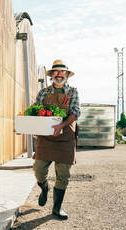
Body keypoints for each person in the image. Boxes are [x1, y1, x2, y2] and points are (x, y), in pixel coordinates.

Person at [32, 59, 80, 220]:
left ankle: (57, 208)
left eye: (62, 72)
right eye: (56, 72)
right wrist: (24, 126)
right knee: (38, 169)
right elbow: (34, 111)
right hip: (46, 137)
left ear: (67, 75)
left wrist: (61, 125)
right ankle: (44, 187)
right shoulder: (43, 92)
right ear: (52, 75)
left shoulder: (73, 92)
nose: (59, 75)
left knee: (63, 174)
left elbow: (75, 113)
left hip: (65, 136)